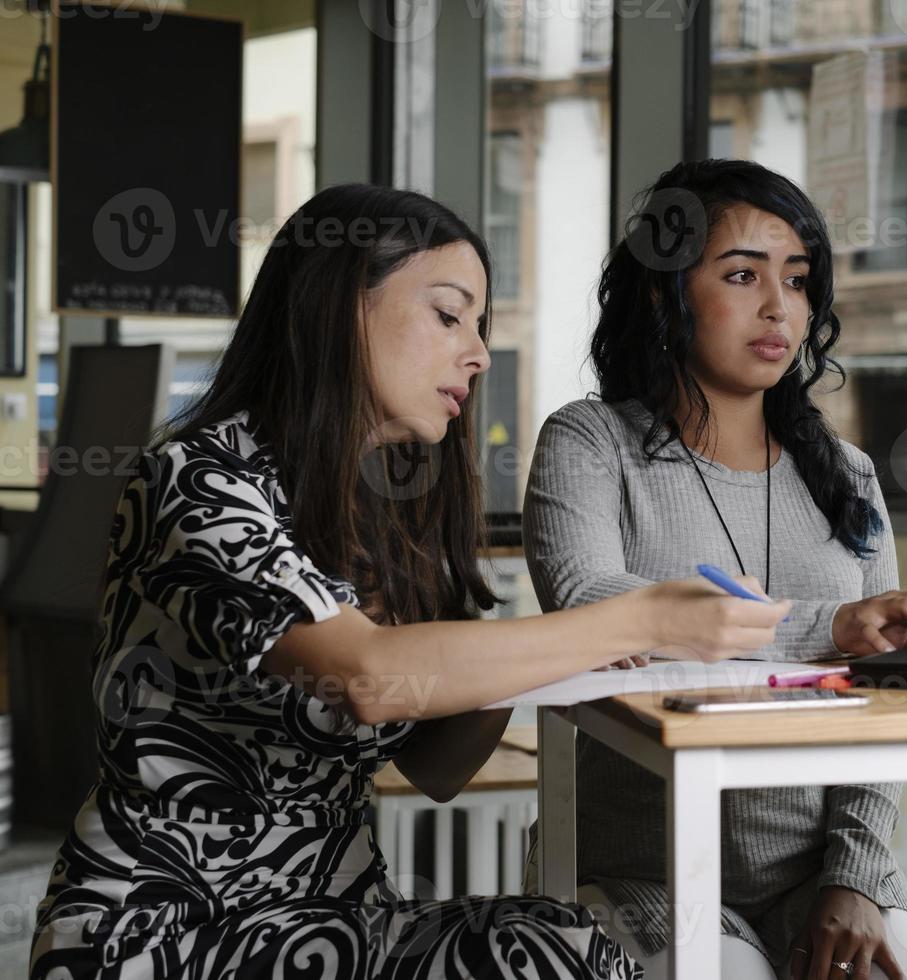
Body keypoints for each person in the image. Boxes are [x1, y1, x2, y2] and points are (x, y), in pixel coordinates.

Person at [29, 183, 791, 979]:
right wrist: (642, 620)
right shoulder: (198, 480)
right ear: (341, 306)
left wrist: (567, 657)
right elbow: (368, 677)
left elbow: (438, 767)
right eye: (448, 314)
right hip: (167, 934)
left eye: (480, 325)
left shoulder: (382, 508)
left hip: (334, 923)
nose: (479, 351)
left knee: (576, 944)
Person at [522, 159, 907, 980]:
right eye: (742, 275)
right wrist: (826, 627)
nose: (780, 308)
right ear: (666, 296)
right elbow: (593, 604)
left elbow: (887, 693)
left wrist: (855, 876)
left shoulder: (848, 474)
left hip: (816, 869)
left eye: (799, 282)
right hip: (642, 865)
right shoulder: (590, 442)